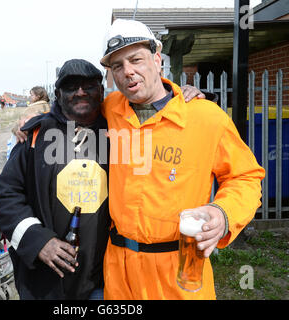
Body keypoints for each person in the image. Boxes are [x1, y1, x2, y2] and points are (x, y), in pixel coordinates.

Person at [98, 19, 265, 300]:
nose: (128, 71)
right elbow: (68, 113)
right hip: (119, 270)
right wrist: (30, 122)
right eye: (117, 66)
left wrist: (224, 214)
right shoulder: (110, 109)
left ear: (157, 59)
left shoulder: (205, 117)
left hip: (178, 271)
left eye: (136, 59)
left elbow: (245, 176)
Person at [0, 59, 111, 299]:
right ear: (57, 94)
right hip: (47, 285)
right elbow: (6, 197)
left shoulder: (120, 130)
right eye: (71, 86)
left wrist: (188, 94)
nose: (80, 92)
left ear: (101, 90)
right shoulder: (35, 135)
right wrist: (38, 241)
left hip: (104, 280)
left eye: (88, 85)